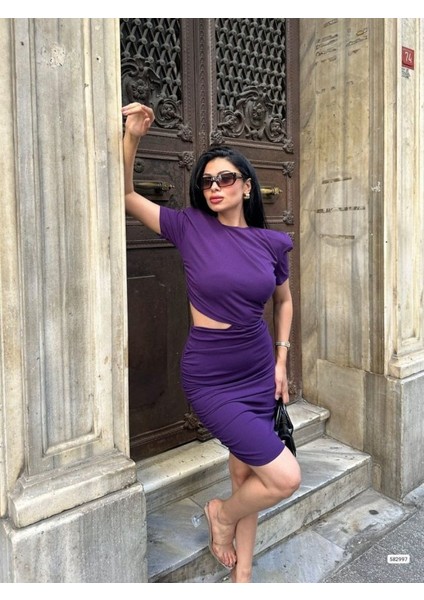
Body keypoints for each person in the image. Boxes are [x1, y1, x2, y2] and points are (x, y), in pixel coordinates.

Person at [121, 102, 302, 583]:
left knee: (248, 474)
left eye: (225, 178)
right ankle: (220, 515)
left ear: (246, 185)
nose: (214, 187)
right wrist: (133, 137)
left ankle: (243, 574)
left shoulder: (270, 243)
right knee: (284, 477)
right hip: (212, 375)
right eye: (206, 181)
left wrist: (281, 360)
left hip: (258, 369)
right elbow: (125, 195)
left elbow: (284, 302)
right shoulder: (189, 227)